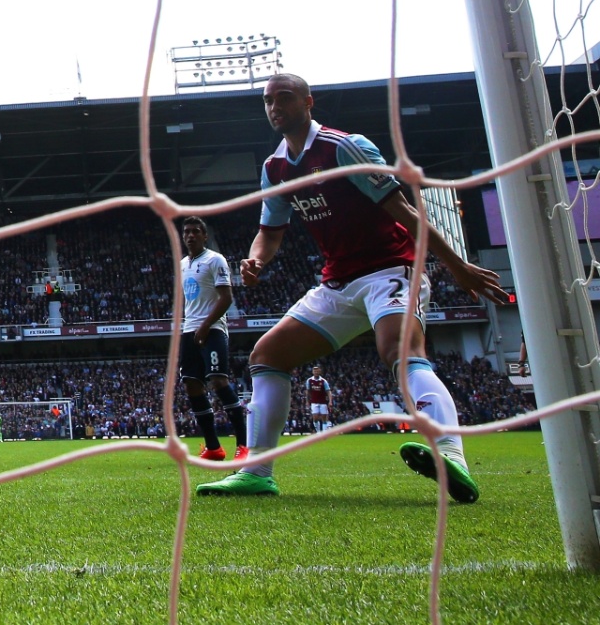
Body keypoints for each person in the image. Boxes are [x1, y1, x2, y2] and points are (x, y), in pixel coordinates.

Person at [197, 72, 506, 501]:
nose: (274, 107)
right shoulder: (275, 168)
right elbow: (270, 230)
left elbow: (404, 210)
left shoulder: (344, 147)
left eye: (283, 97)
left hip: (392, 270)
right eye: (267, 100)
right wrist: (256, 260)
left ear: (309, 102)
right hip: (339, 282)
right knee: (267, 355)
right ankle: (257, 472)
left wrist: (457, 266)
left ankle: (451, 455)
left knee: (398, 351)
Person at [176, 216, 247, 463]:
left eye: (196, 231)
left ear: (205, 236)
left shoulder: (215, 260)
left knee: (218, 381)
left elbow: (226, 298)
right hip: (190, 330)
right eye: (187, 232)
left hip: (213, 328)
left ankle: (243, 445)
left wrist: (205, 326)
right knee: (191, 385)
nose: (191, 235)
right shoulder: (183, 264)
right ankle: (213, 446)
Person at [305, 364, 336, 434]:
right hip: (314, 402)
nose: (316, 372)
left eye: (317, 371)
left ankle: (324, 433)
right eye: (314, 371)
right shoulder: (309, 380)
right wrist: (307, 401)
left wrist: (330, 401)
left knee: (324, 418)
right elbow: (307, 391)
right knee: (315, 417)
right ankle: (318, 432)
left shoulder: (323, 381)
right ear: (313, 372)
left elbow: (328, 391)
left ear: (319, 372)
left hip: (323, 402)